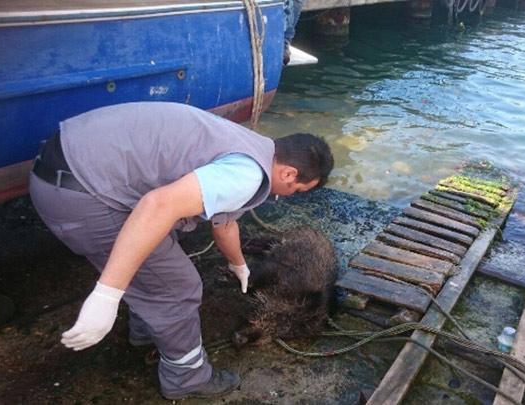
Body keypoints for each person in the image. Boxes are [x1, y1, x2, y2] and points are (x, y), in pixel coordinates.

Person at [28, 102, 334, 400]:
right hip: (81, 194)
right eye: (296, 192)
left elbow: (224, 224)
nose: (290, 196)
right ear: (290, 174)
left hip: (67, 162)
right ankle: (186, 377)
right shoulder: (248, 175)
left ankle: (147, 330)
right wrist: (106, 295)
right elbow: (158, 205)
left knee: (159, 260)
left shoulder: (248, 143)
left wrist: (240, 266)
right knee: (178, 288)